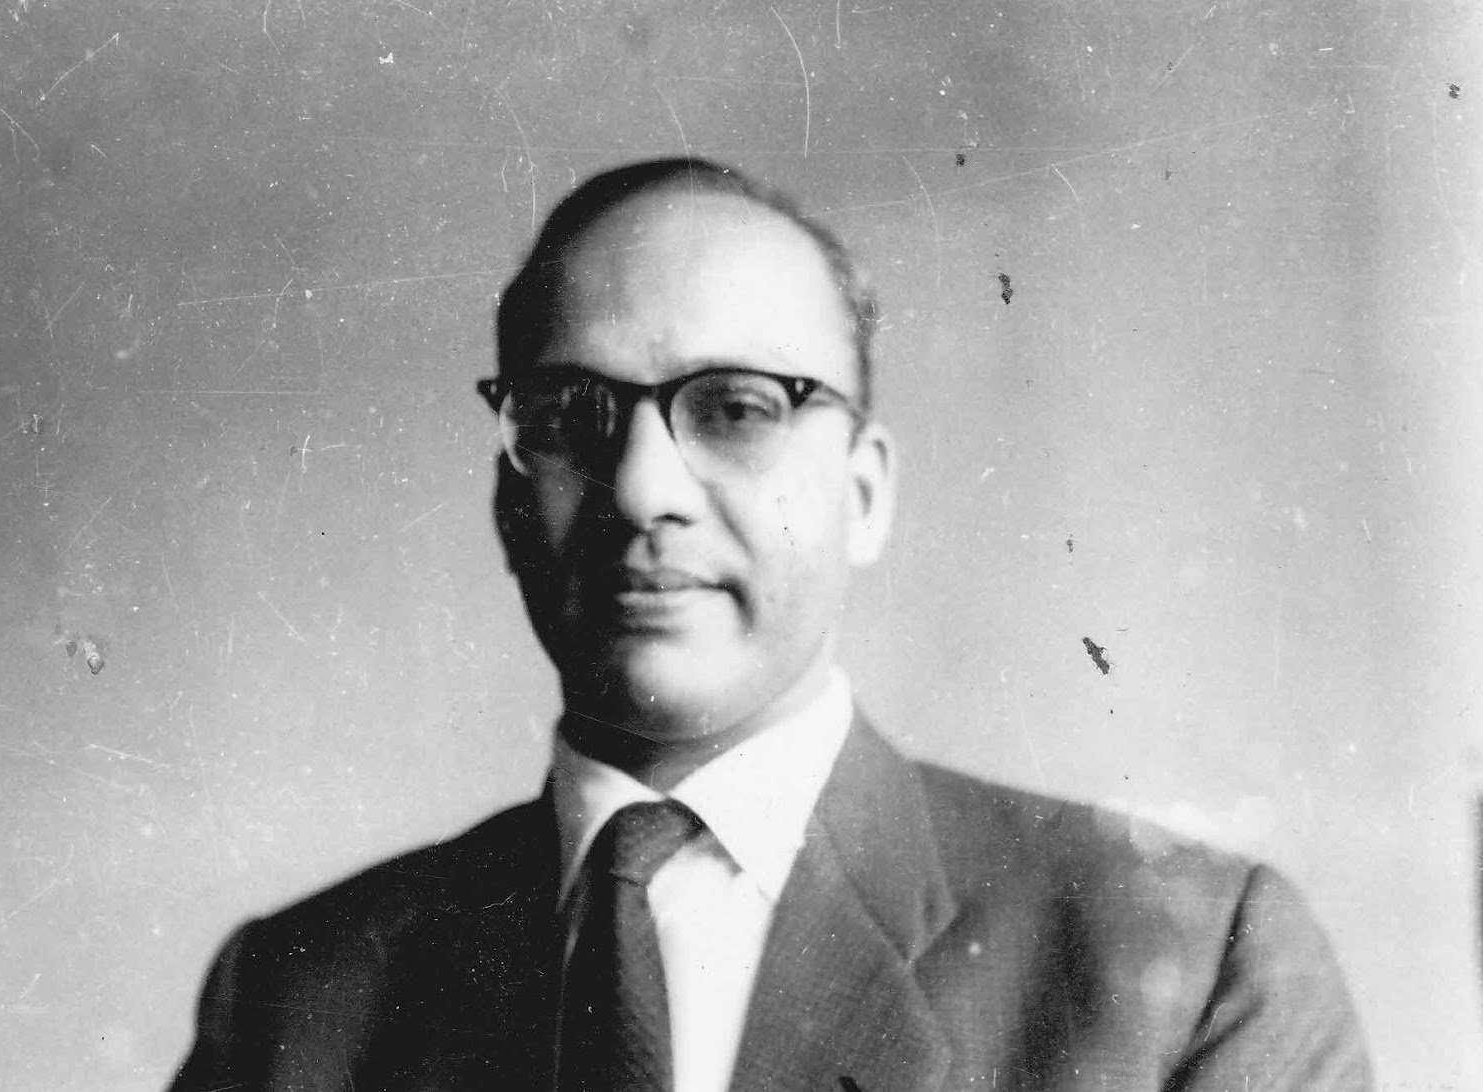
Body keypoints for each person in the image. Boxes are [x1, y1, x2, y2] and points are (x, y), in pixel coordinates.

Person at [168, 157, 1371, 1092]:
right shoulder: (294, 1001)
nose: (644, 489)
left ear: (864, 493)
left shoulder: (1184, 960)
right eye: (570, 414)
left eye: (737, 409)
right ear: (505, 496)